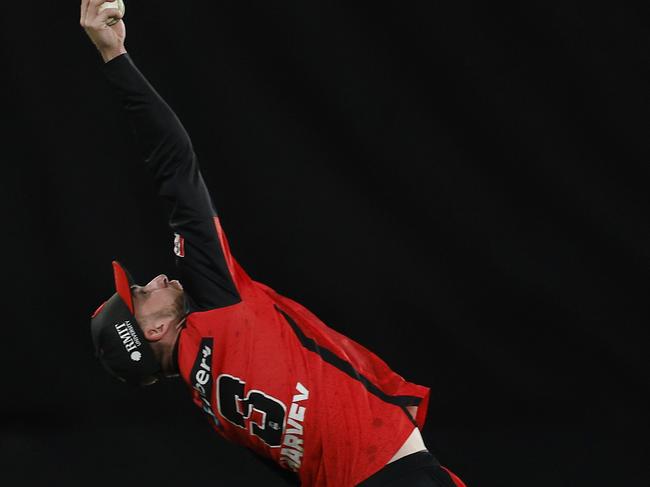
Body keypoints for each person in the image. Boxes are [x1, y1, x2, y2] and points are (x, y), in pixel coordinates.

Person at [81, 1, 467, 486]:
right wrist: (114, 55)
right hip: (392, 470)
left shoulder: (215, 411)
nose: (154, 279)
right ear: (154, 330)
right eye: (140, 294)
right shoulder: (218, 314)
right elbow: (174, 165)